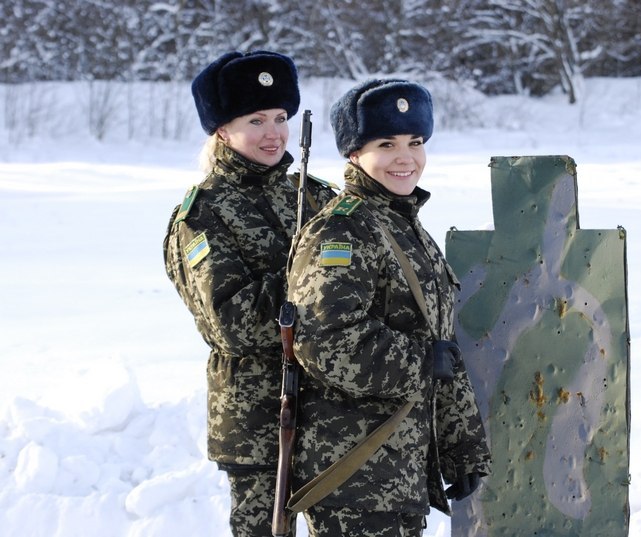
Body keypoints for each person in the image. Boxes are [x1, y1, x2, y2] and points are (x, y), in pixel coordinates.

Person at [286, 79, 491, 536]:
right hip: (353, 474)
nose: (406, 157)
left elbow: (442, 346)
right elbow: (326, 343)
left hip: (398, 470)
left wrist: (462, 445)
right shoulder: (343, 232)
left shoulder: (404, 226)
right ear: (353, 154)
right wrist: (420, 360)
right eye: (387, 144)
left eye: (416, 142)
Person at [162, 50, 336, 537]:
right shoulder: (202, 215)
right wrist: (311, 276)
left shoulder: (317, 196)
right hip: (259, 417)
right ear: (221, 129)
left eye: (281, 117)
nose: (273, 132)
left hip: (335, 409)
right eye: (255, 119)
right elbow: (232, 322)